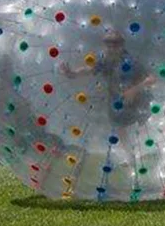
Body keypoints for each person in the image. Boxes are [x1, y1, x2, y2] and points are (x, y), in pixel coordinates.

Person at [60, 29, 156, 165]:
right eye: (108, 43)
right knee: (120, 128)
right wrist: (72, 73)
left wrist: (134, 90)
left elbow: (152, 78)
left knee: (140, 124)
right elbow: (90, 69)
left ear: (121, 45)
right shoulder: (105, 61)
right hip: (117, 101)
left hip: (137, 100)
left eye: (114, 44)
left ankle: (148, 150)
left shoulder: (131, 62)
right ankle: (131, 157)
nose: (110, 47)